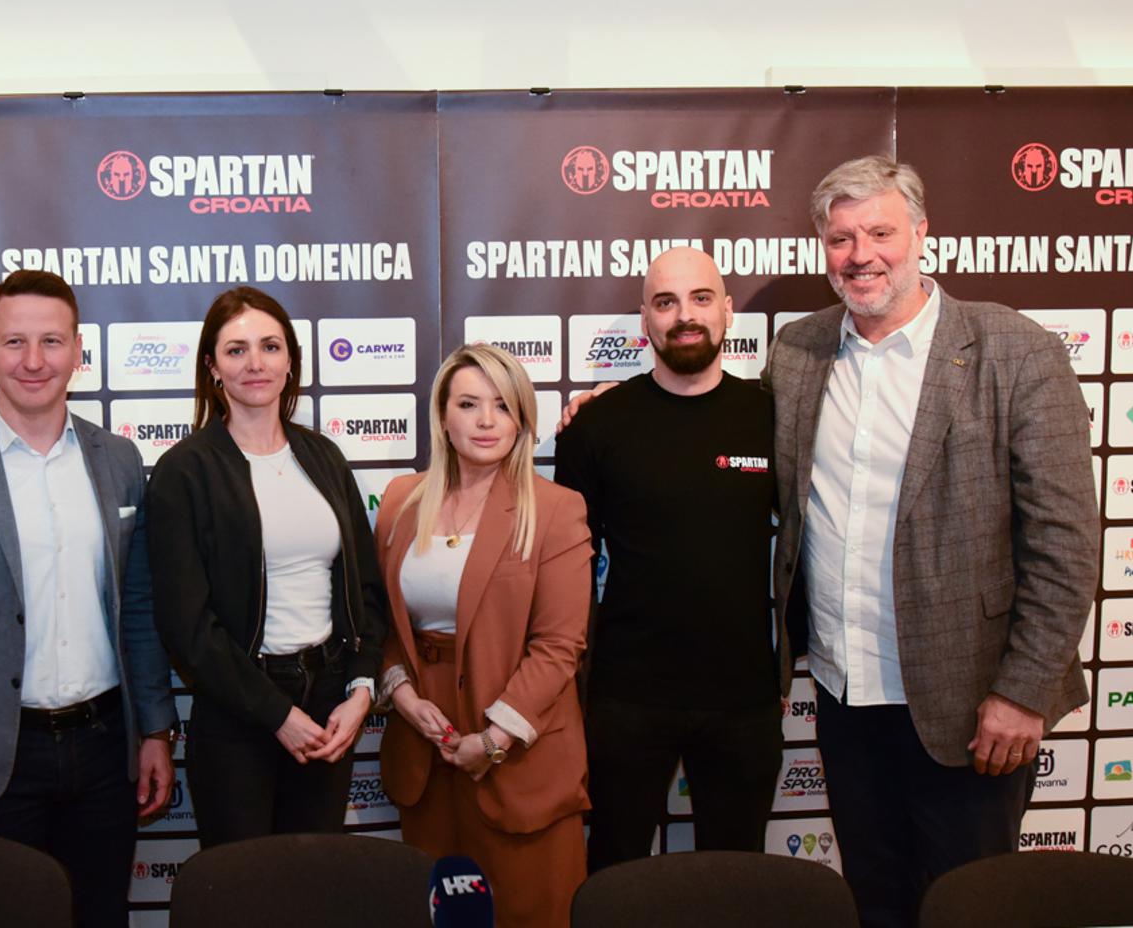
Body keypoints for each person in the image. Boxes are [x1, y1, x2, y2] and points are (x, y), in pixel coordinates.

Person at [765, 156, 1098, 928]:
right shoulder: (797, 351)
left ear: (920, 233)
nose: (860, 255)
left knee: (969, 907)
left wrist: (1021, 693)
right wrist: (619, 403)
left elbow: (1065, 541)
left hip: (973, 704)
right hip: (846, 697)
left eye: (879, 232)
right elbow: (726, 438)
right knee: (873, 901)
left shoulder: (1015, 350)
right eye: (840, 238)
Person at [0, 270, 177, 926]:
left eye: (51, 341)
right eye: (15, 342)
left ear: (77, 350)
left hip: (106, 749)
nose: (33, 360)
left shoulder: (119, 460)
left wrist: (155, 730)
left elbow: (138, 609)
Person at [553, 248, 782, 870]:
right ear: (645, 320)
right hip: (627, 697)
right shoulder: (596, 425)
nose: (685, 316)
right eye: (666, 302)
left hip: (743, 698)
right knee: (614, 872)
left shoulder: (772, 418)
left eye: (701, 298)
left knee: (736, 878)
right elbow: (566, 569)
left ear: (728, 311)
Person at [147, 286, 387, 847]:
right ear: (212, 367)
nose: (255, 363)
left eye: (270, 346)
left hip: (329, 704)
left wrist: (360, 688)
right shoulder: (184, 472)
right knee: (244, 884)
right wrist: (276, 713)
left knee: (313, 878)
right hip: (238, 712)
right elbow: (187, 626)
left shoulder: (324, 457)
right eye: (236, 350)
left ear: (290, 361)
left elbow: (365, 590)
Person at [375, 344, 592, 928]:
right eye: (469, 404)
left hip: (519, 751)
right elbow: (385, 624)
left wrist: (494, 740)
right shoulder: (400, 501)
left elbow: (559, 646)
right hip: (425, 745)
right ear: (442, 416)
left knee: (532, 912)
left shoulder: (555, 509)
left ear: (522, 418)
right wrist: (402, 696)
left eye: (502, 405)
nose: (487, 420)